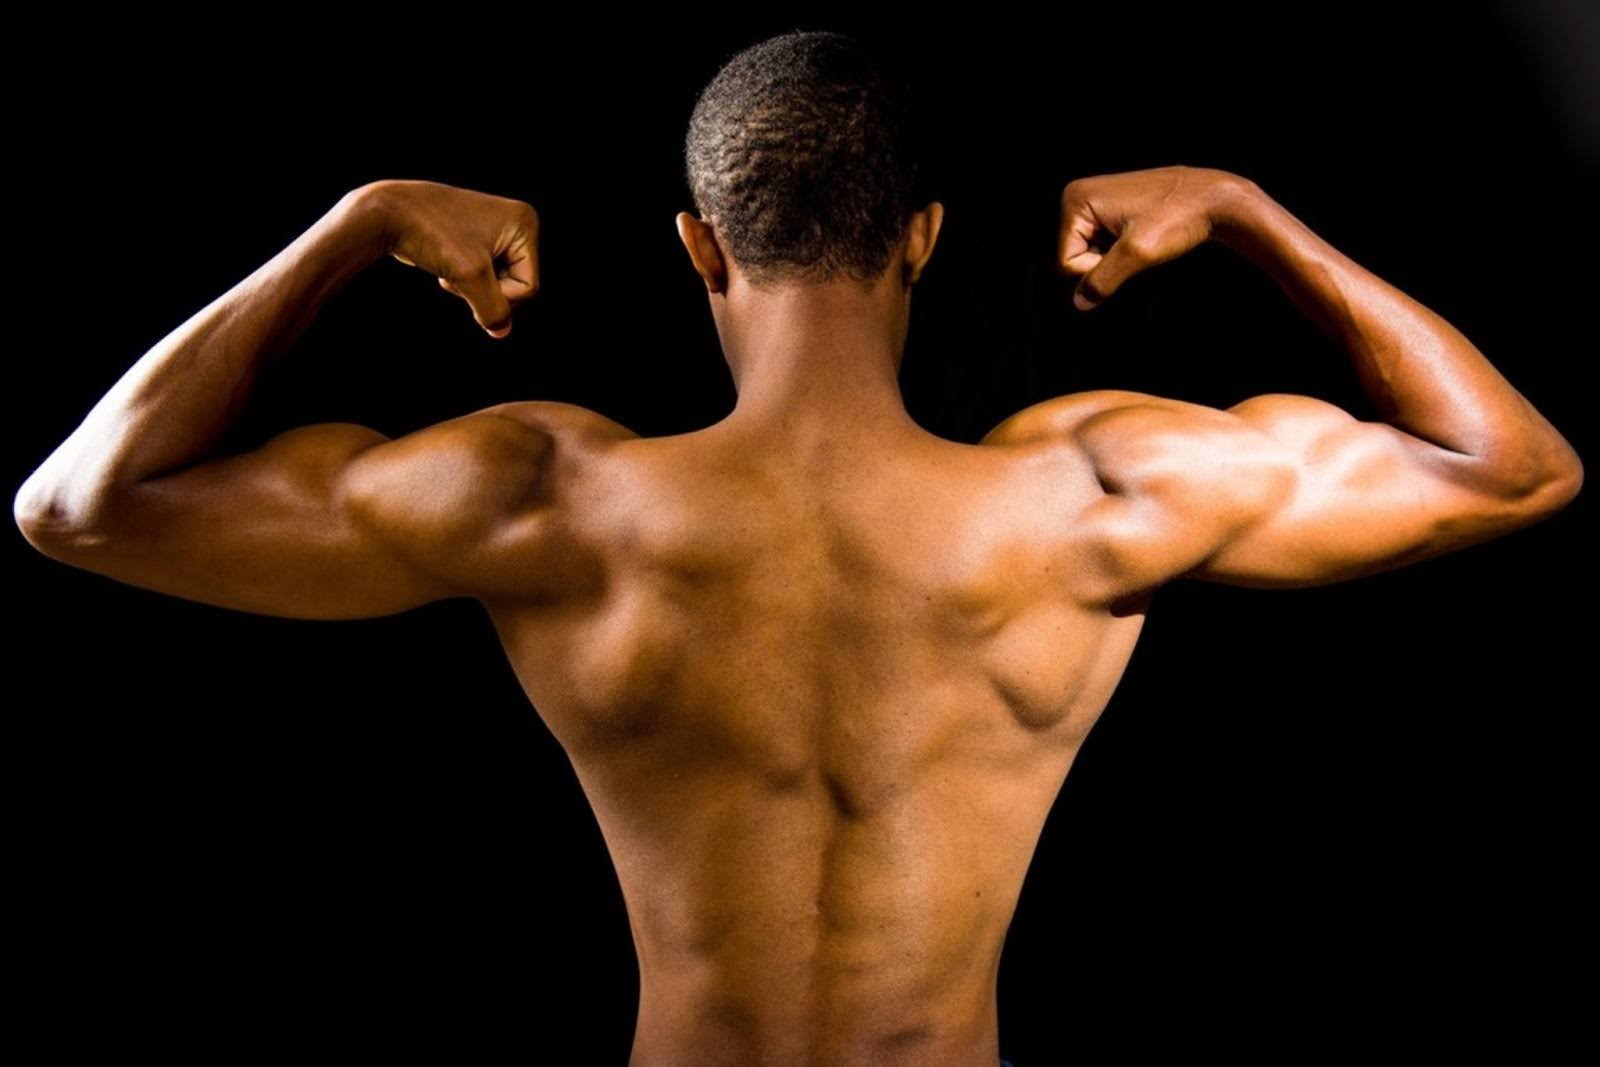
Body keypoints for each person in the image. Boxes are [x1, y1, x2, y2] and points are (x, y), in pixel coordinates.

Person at [12, 28, 1582, 1067]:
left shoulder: (553, 501)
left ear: (697, 247)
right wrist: (1246, 212)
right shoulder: (1093, 498)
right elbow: (1510, 472)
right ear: (924, 238)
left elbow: (80, 505)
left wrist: (358, 224)